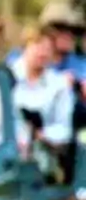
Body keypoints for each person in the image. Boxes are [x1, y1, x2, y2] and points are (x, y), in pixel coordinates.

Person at [10, 26, 76, 181]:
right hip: (8, 154)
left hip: (42, 160)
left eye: (47, 49)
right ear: (25, 47)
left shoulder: (59, 85)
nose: (42, 52)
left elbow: (64, 130)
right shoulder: (6, 78)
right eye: (37, 46)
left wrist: (42, 135)